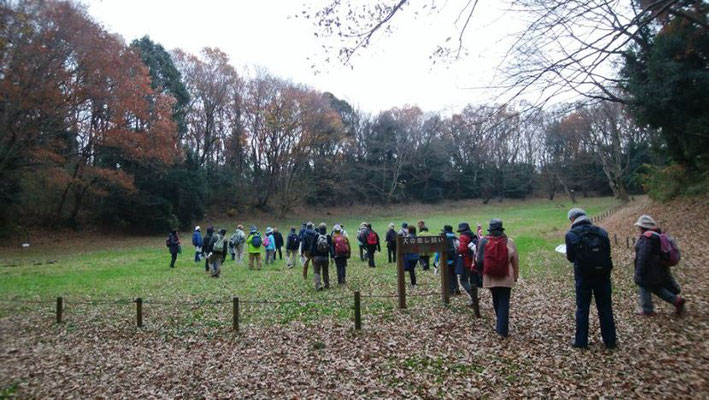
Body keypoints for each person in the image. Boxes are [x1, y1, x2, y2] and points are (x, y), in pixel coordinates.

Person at [565, 208, 617, 348]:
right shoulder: (602, 232)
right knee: (605, 307)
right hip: (603, 275)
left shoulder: (571, 234)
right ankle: (610, 341)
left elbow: (570, 257)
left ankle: (581, 341)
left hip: (583, 275)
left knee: (582, 308)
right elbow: (607, 252)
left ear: (572, 219)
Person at [633, 215, 686, 316]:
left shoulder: (647, 237)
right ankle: (676, 301)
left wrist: (638, 272)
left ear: (643, 227)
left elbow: (643, 256)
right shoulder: (657, 235)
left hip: (649, 269)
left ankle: (647, 310)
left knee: (644, 285)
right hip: (658, 268)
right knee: (655, 287)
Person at [476, 219, 519, 338]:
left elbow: (479, 261)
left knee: (496, 299)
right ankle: (502, 329)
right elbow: (515, 261)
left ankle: (500, 325)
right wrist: (515, 276)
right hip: (506, 276)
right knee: (504, 302)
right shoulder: (509, 242)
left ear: (490, 229)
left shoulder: (484, 241)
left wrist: (482, 273)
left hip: (490, 276)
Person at [457, 222, 481, 316]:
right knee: (472, 280)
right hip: (473, 261)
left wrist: (457, 250)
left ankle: (473, 296)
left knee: (463, 280)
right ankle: (473, 298)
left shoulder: (463, 237)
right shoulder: (472, 235)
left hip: (466, 261)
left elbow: (462, 249)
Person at [310, 223, 333, 290]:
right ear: (325, 229)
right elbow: (331, 247)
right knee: (325, 271)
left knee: (316, 271)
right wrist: (332, 256)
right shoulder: (328, 236)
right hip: (325, 257)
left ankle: (318, 285)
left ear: (319, 229)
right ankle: (327, 284)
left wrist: (312, 255)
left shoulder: (316, 235)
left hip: (317, 257)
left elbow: (312, 246)